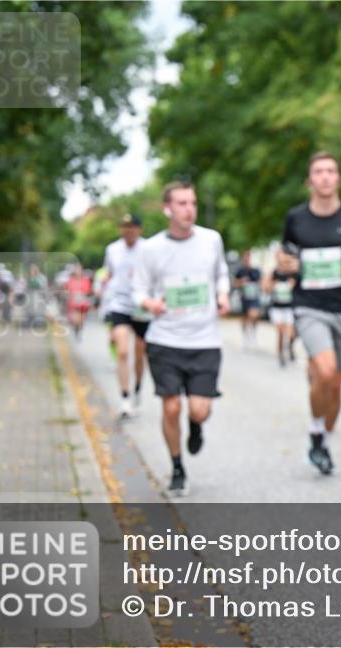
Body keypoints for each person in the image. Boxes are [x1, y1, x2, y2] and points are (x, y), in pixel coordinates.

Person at [277, 151, 341, 475]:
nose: (325, 177)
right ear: (310, 180)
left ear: (338, 179)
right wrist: (284, 265)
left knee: (335, 385)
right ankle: (319, 429)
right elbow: (286, 258)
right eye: (318, 171)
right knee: (326, 369)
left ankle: (321, 441)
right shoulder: (296, 218)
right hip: (309, 306)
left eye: (331, 171)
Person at [133, 182, 230, 496]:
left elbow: (221, 275)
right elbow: (138, 290)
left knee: (199, 409)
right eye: (181, 203)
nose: (189, 209)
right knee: (171, 407)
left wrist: (224, 295)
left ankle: (197, 425)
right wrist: (150, 304)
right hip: (165, 340)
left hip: (204, 340)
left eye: (192, 202)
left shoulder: (211, 240)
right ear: (167, 209)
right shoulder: (151, 248)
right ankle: (177, 467)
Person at [101, 213, 149, 417]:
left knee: (140, 352)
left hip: (141, 305)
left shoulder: (148, 249)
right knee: (122, 352)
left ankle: (137, 386)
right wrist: (103, 285)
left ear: (139, 229)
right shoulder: (112, 250)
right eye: (124, 227)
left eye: (132, 227)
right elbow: (108, 273)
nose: (128, 231)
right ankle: (124, 396)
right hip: (119, 304)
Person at [262, 255, 297, 366]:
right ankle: (281, 354)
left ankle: (290, 347)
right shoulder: (273, 273)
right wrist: (273, 285)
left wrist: (293, 285)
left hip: (289, 307)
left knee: (291, 334)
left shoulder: (292, 273)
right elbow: (265, 289)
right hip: (277, 307)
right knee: (281, 333)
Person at [234, 250, 263, 349]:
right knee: (245, 317)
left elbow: (261, 282)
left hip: (254, 296)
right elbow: (234, 283)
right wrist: (241, 282)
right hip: (244, 297)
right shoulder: (240, 271)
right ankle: (245, 337)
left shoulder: (256, 270)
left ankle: (253, 333)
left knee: (254, 314)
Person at [65, 263, 92, 339]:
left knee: (81, 320)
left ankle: (79, 330)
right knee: (75, 320)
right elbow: (68, 289)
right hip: (73, 303)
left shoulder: (85, 280)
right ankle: (76, 329)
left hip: (82, 303)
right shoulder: (71, 280)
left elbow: (88, 290)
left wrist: (82, 294)